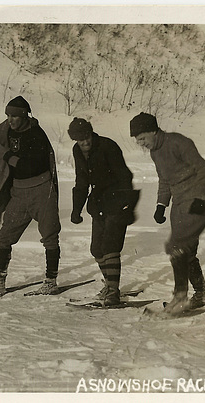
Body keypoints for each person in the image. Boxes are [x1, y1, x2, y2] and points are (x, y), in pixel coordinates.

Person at [130, 112, 205, 314]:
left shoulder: (178, 142)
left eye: (142, 138)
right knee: (186, 250)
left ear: (153, 131)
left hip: (195, 199)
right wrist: (161, 204)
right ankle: (202, 292)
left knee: (178, 246)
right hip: (179, 202)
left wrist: (201, 200)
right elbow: (164, 179)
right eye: (137, 140)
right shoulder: (155, 152)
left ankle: (180, 296)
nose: (141, 143)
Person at [0, 96, 61, 297]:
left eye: (15, 116)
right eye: (8, 115)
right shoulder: (6, 131)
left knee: (50, 236)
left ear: (25, 115)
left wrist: (6, 155)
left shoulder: (37, 134)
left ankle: (51, 281)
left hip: (42, 191)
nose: (11, 120)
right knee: (4, 237)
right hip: (18, 192)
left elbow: (29, 165)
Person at [69, 117, 139, 306]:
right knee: (96, 249)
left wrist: (128, 205)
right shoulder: (77, 151)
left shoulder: (108, 146)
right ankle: (109, 285)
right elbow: (81, 181)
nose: (85, 142)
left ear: (91, 133)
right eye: (80, 139)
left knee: (110, 246)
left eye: (87, 136)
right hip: (98, 203)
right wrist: (77, 209)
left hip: (117, 199)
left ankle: (113, 292)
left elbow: (125, 175)